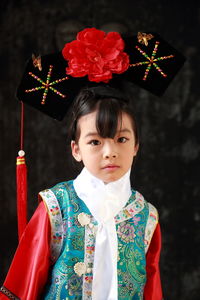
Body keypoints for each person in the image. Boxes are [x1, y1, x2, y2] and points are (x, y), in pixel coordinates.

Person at [0, 85, 163, 300]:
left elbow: (151, 291)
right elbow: (25, 284)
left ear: (136, 146)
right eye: (95, 142)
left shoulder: (145, 216)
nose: (110, 152)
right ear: (76, 149)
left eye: (121, 139)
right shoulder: (57, 206)